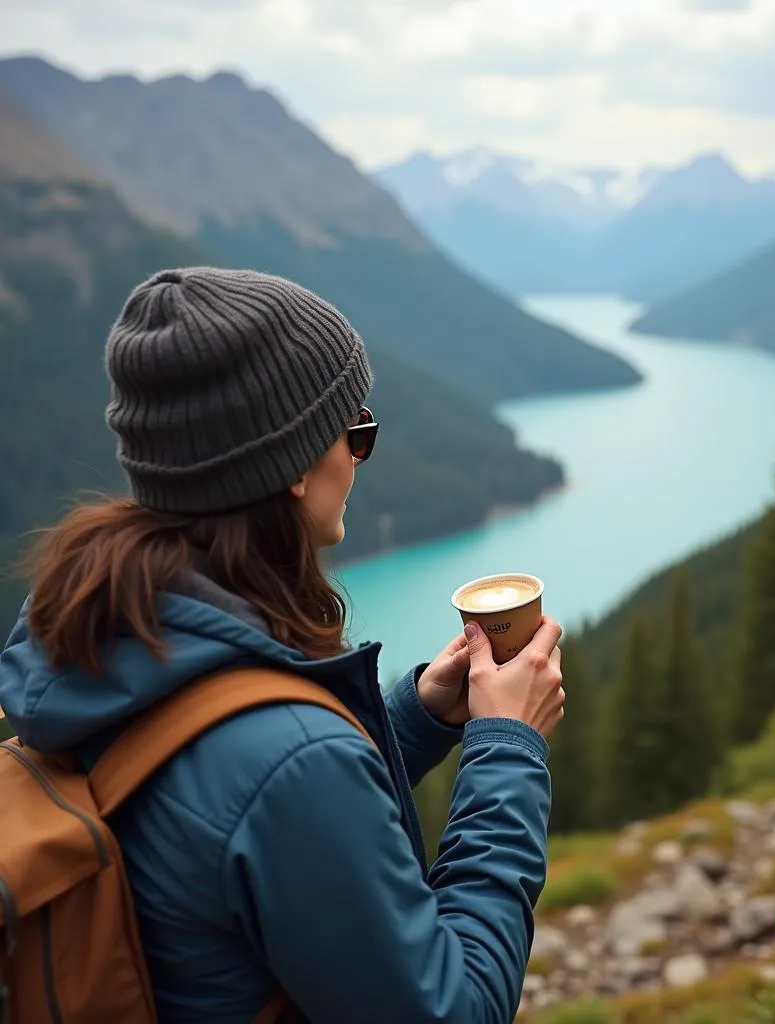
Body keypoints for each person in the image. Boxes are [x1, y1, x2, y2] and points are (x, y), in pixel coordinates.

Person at [0, 267, 565, 1023]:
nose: (359, 457)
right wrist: (507, 746)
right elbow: (449, 1009)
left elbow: (210, 800)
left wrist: (418, 715)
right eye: (354, 431)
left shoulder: (97, 629)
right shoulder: (289, 761)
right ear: (297, 463)